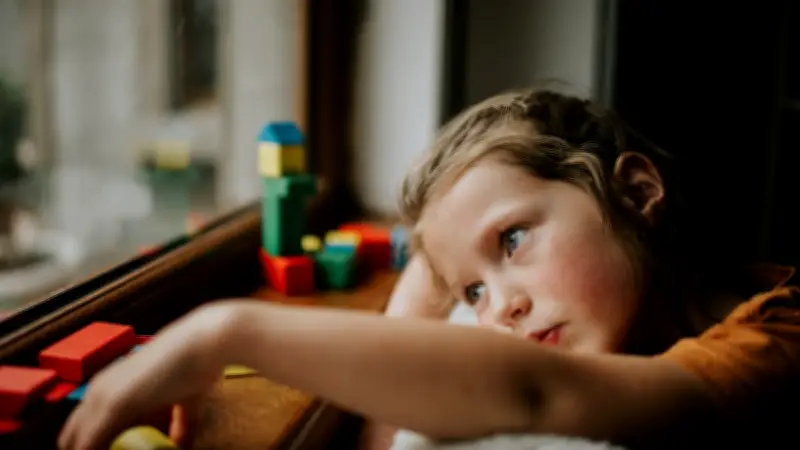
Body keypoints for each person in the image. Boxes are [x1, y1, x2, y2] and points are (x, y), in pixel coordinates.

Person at [58, 89, 800, 450]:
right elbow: (390, 432)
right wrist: (439, 272)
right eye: (472, 290)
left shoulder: (776, 340)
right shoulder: (642, 318)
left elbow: (537, 390)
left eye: (513, 239)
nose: (500, 307)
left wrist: (224, 332)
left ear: (635, 192)